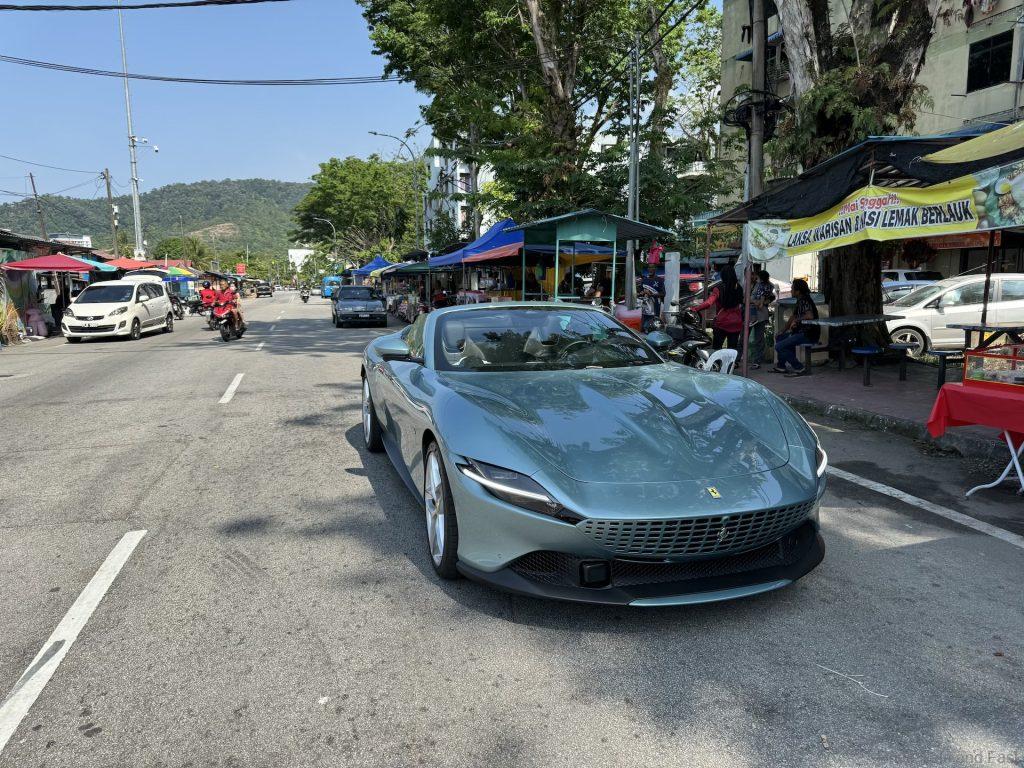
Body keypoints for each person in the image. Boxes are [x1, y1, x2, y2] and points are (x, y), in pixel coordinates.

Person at [692, 263, 744, 352]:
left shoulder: (719, 288)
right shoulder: (739, 288)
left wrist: (695, 309)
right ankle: (731, 361)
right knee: (732, 350)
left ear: (723, 275)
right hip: (736, 322)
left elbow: (708, 303)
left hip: (722, 323)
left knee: (716, 349)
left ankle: (718, 361)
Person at [774, 278, 820, 376]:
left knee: (779, 347)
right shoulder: (799, 300)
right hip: (799, 332)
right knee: (780, 337)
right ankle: (781, 366)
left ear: (798, 291)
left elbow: (809, 315)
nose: (791, 291)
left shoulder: (805, 300)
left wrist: (797, 320)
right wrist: (783, 330)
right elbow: (793, 317)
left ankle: (799, 368)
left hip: (807, 334)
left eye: (792, 289)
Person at [748, 269, 776, 369]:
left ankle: (757, 360)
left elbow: (770, 297)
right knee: (744, 338)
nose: (753, 277)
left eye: (754, 275)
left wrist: (761, 302)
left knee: (759, 339)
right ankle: (739, 359)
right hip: (750, 314)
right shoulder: (746, 284)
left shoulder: (762, 285)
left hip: (760, 315)